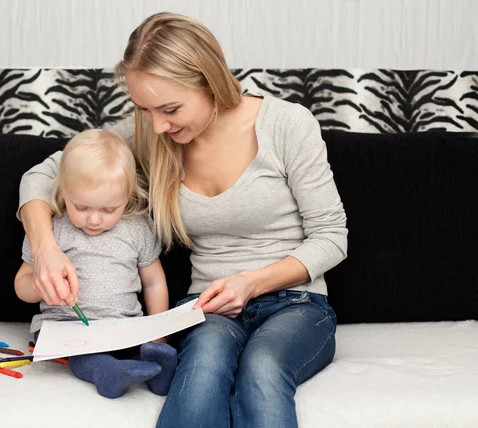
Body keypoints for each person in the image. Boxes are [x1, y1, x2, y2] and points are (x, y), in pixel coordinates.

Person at [18, 12, 347, 428]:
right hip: (207, 308)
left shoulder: (287, 125)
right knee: (203, 370)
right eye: (144, 109)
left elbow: (333, 236)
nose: (157, 124)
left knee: (262, 368)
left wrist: (250, 283)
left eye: (169, 108)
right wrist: (45, 250)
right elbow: (42, 175)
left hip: (296, 304)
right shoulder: (154, 136)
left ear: (208, 80)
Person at [14, 129, 177, 399]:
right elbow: (22, 283)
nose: (94, 220)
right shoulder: (52, 229)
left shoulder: (138, 228)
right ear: (63, 191)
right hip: (65, 328)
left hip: (123, 327)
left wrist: (157, 333)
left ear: (127, 196)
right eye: (81, 207)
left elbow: (154, 281)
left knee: (142, 349)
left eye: (109, 210)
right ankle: (107, 373)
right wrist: (39, 286)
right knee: (83, 356)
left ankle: (160, 371)